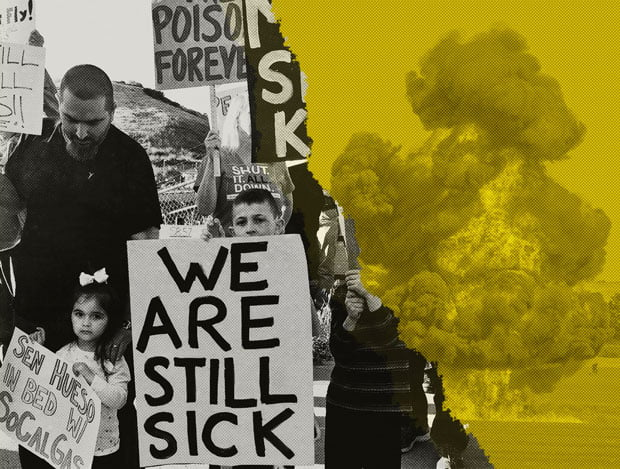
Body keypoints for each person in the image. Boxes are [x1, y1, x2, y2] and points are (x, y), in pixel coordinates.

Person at [5, 64, 162, 468]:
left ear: (113, 111)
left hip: (107, 330)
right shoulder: (27, 149)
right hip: (38, 325)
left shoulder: (131, 158)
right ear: (58, 104)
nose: (80, 132)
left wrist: (129, 326)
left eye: (94, 122)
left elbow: (146, 250)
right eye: (71, 119)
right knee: (43, 454)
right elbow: (4, 231)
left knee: (113, 451)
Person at [22, 272, 131, 469]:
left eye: (96, 316)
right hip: (69, 447)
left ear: (109, 320)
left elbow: (119, 400)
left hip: (103, 450)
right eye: (79, 314)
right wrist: (37, 353)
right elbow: (46, 395)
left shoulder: (112, 359)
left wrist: (91, 378)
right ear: (70, 315)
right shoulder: (63, 354)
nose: (86, 322)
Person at [325, 269, 425, 468]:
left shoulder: (408, 290)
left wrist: (371, 297)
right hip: (344, 404)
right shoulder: (345, 290)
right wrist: (351, 319)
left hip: (385, 408)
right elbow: (338, 351)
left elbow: (395, 340)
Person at [195, 95, 295, 235]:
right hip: (231, 250)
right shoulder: (218, 155)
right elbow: (204, 209)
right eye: (249, 114)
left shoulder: (275, 157)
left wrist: (277, 230)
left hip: (270, 250)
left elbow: (288, 204)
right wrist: (212, 161)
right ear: (235, 118)